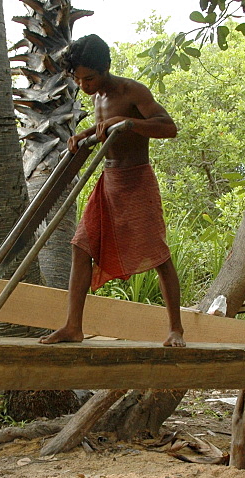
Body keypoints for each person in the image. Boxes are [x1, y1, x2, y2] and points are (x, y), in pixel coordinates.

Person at [39, 34, 185, 348]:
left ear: (105, 68)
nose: (84, 85)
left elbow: (168, 127)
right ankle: (73, 327)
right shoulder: (95, 97)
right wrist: (85, 134)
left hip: (137, 182)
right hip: (109, 181)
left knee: (158, 255)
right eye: (77, 79)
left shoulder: (131, 91)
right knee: (81, 246)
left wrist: (130, 122)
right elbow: (106, 128)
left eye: (89, 78)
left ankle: (176, 330)